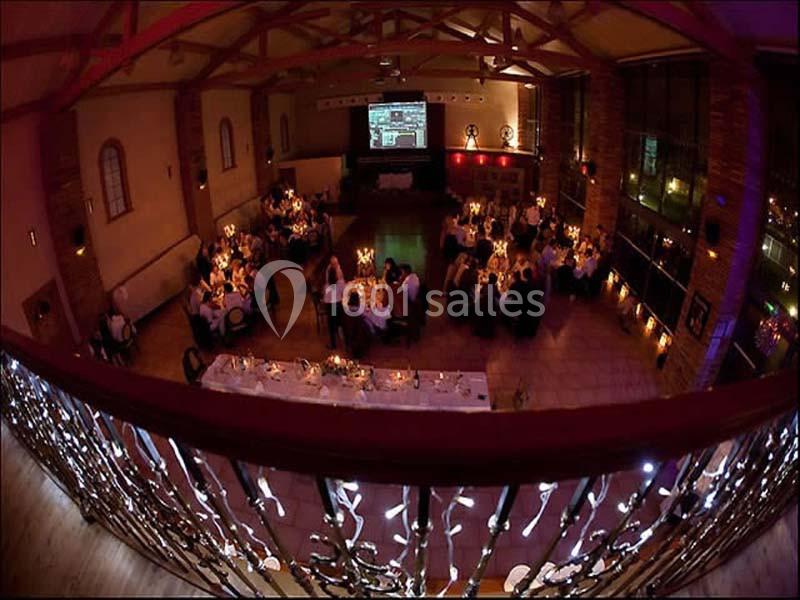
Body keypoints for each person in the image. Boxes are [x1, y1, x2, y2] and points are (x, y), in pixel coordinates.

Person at [323, 256, 345, 349]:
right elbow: (343, 290)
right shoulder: (339, 282)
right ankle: (338, 342)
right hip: (335, 304)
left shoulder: (328, 283)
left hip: (331, 303)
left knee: (333, 323)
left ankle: (335, 343)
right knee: (337, 323)